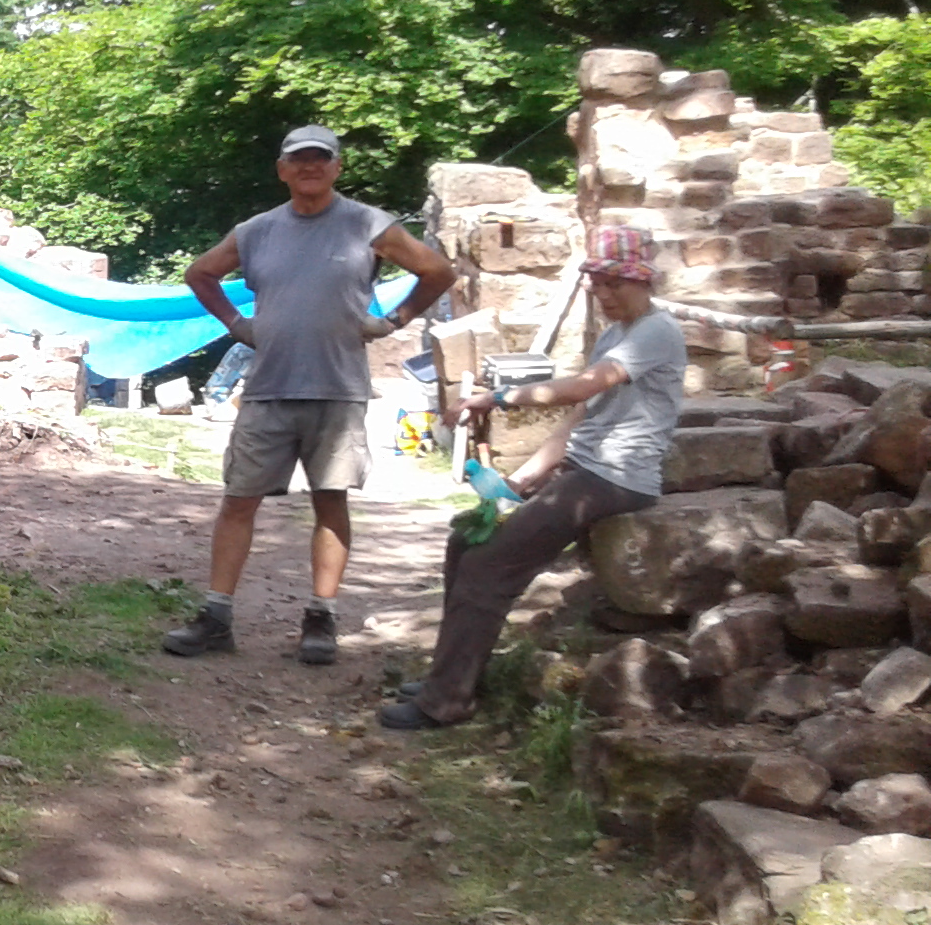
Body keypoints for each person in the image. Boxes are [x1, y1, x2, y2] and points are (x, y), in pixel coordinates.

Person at [162, 126, 458, 665]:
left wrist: (393, 320)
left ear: (337, 167)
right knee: (239, 500)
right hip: (268, 388)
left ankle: (321, 618)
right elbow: (200, 273)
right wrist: (236, 324)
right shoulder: (257, 231)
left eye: (321, 158)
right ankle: (216, 617)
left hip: (337, 389)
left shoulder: (367, 224)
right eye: (299, 159)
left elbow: (437, 271)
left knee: (330, 499)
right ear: (282, 170)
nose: (310, 167)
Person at [378, 227, 685, 729]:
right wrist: (520, 481)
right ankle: (455, 676)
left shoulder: (656, 330)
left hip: (618, 478)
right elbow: (580, 417)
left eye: (615, 284)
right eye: (598, 284)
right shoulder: (615, 335)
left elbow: (581, 387)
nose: (605, 294)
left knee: (489, 566)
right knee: (466, 540)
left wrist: (497, 397)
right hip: (585, 469)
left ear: (643, 281)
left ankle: (446, 701)